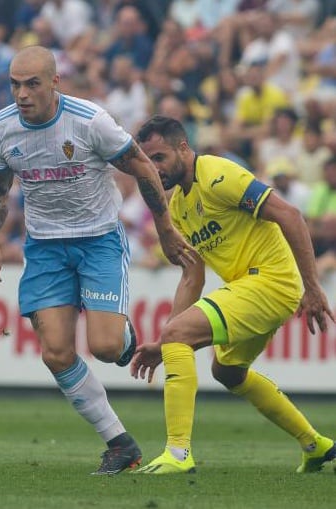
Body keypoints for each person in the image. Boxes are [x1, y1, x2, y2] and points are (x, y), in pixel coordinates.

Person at [0, 45, 195, 475]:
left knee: (106, 347)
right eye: (15, 84)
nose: (22, 94)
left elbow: (144, 168)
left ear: (55, 82)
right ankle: (120, 445)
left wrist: (166, 228)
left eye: (32, 84)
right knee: (56, 353)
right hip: (45, 248)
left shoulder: (89, 121)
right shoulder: (1, 130)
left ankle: (125, 336)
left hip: (98, 241)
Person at [132, 115, 335, 474]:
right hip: (250, 286)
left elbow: (290, 215)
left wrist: (313, 287)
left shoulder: (218, 175)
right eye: (148, 162)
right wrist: (168, 339)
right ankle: (316, 445)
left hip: (271, 281)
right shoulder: (178, 206)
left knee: (180, 336)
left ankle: (178, 453)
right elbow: (192, 275)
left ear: (183, 147)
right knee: (227, 371)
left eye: (159, 158)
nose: (154, 169)